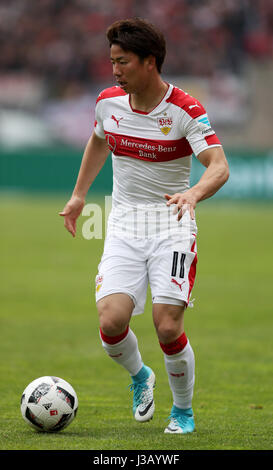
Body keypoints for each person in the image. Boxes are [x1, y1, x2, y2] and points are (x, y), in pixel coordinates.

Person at [60, 18, 229, 434]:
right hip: (123, 224)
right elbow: (100, 139)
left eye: (123, 62)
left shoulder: (185, 110)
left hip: (171, 224)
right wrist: (80, 195)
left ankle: (183, 412)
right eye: (112, 61)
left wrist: (192, 194)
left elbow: (219, 166)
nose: (115, 70)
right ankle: (141, 377)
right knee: (111, 322)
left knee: (167, 324)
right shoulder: (108, 102)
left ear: (149, 62)